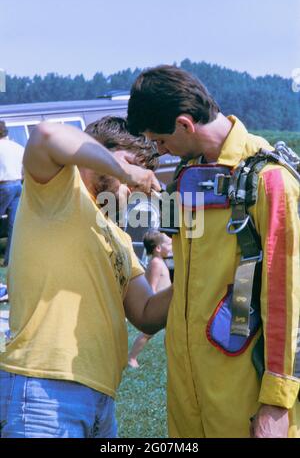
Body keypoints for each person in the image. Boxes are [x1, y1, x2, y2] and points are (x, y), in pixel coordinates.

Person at [127, 65, 300, 438]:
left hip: (244, 391)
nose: (160, 150)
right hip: (186, 392)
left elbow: (286, 299)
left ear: (185, 124)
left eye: (160, 140)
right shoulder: (186, 175)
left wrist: (276, 402)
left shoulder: (269, 179)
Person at [0, 117, 173, 438]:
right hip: (45, 387)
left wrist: (196, 269)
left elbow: (147, 314)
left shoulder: (119, 237)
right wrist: (126, 171)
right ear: (95, 150)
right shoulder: (57, 187)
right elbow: (47, 134)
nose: (137, 185)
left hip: (101, 398)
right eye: (133, 163)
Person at [128, 229, 172, 368]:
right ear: (158, 248)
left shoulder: (161, 261)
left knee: (171, 331)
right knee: (147, 333)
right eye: (169, 244)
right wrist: (152, 308)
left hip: (166, 305)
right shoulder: (156, 264)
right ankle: (132, 358)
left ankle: (171, 356)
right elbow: (151, 286)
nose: (172, 247)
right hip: (158, 305)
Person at [0, 120, 24, 266]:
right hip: (18, 186)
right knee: (13, 225)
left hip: (3, 186)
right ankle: (9, 259)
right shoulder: (18, 147)